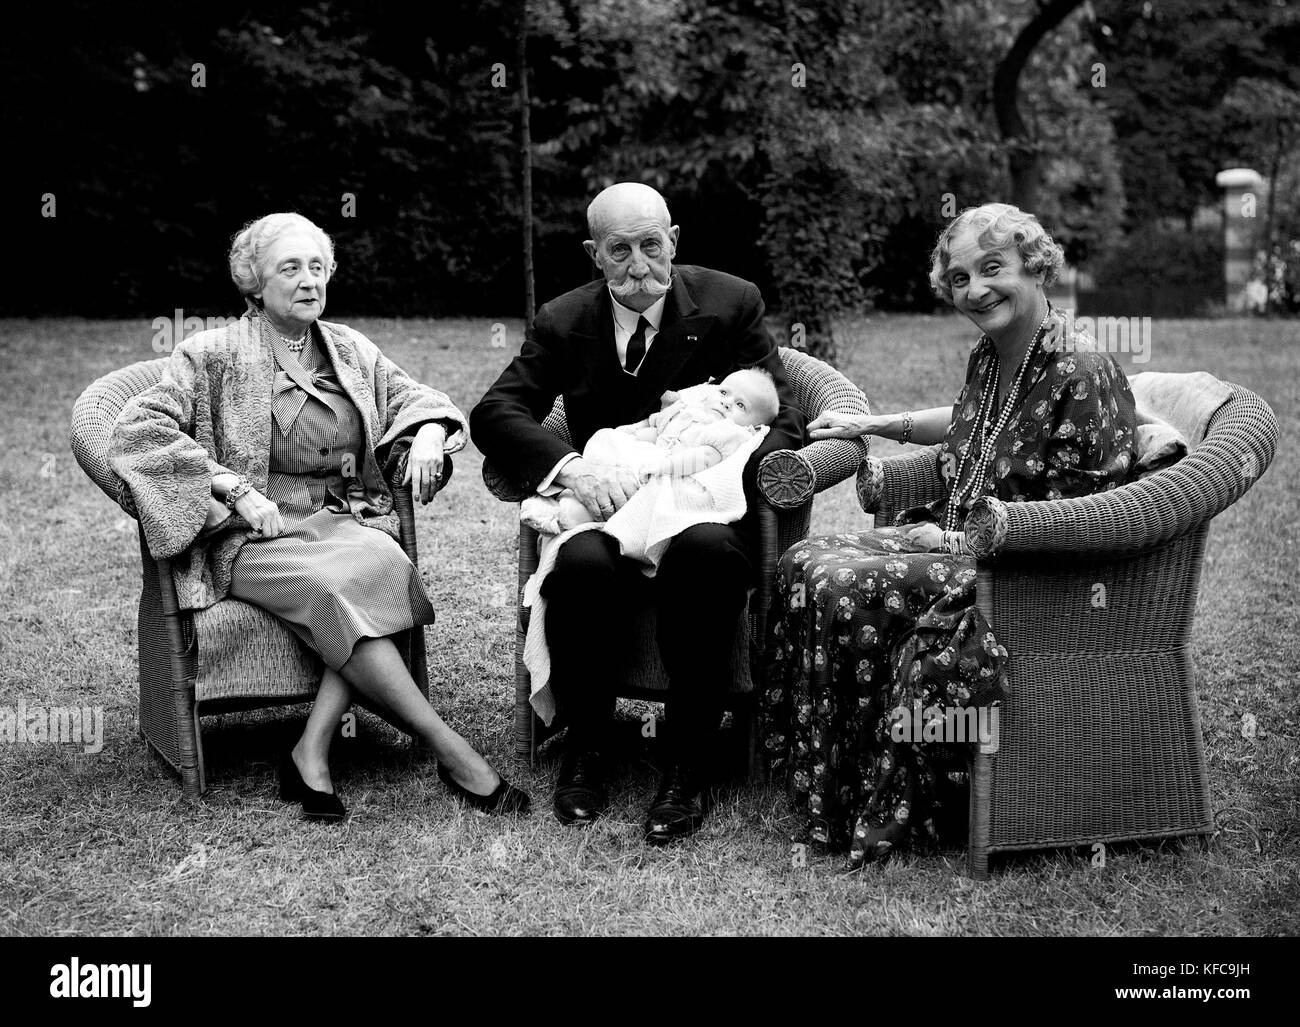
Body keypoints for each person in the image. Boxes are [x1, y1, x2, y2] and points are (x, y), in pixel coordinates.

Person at [110, 212, 529, 822]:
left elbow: (415, 397)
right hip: (253, 533)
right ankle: (452, 749)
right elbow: (138, 431)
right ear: (254, 281)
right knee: (336, 589)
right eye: (290, 268)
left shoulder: (350, 348)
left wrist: (433, 431)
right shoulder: (210, 353)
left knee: (386, 562)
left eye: (317, 267)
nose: (309, 281)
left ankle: (309, 751)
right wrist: (230, 488)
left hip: (340, 519)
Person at [763, 203, 1138, 867]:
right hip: (960, 547)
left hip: (1029, 577)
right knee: (802, 559)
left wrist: (951, 538)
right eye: (960, 278)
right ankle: (829, 785)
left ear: (1036, 266)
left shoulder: (1083, 368)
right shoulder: (992, 357)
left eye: (993, 268)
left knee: (841, 579)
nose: (975, 289)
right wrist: (876, 425)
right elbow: (968, 431)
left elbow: (1092, 517)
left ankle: (908, 799)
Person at [471, 182, 805, 844]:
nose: (637, 263)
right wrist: (575, 469)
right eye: (619, 249)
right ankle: (587, 746)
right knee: (579, 565)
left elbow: (784, 418)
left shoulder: (731, 302)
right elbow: (495, 411)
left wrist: (712, 464)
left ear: (673, 241)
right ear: (596, 254)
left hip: (701, 506)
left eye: (651, 244)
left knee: (705, 556)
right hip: (609, 508)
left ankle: (688, 761)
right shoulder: (564, 319)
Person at [520, 369, 780, 539]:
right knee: (607, 440)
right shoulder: (690, 409)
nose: (726, 402)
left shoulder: (728, 433)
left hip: (675, 478)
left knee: (640, 491)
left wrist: (663, 467)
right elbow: (656, 429)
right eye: (724, 392)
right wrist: (632, 433)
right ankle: (568, 496)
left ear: (751, 425)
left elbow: (702, 458)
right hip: (655, 457)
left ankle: (566, 518)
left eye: (740, 405)